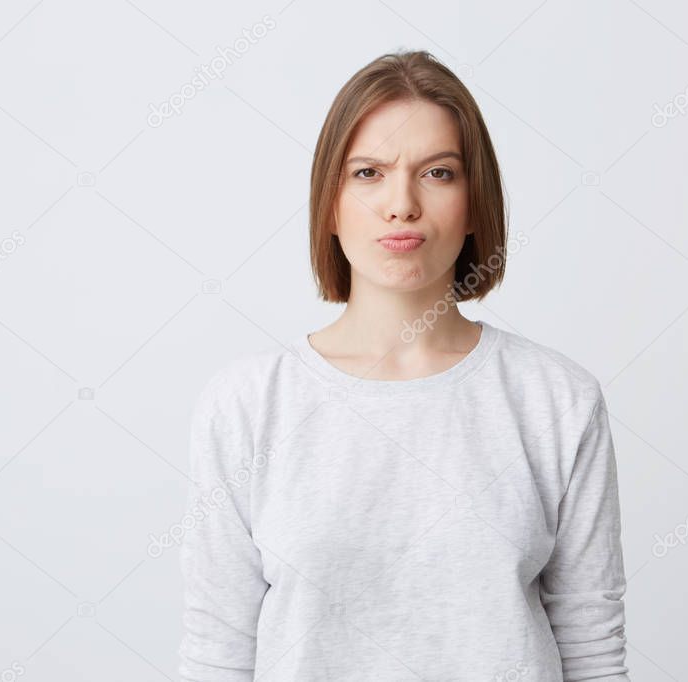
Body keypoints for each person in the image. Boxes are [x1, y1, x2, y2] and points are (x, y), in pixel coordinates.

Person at [178, 49, 631, 681]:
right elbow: (218, 648)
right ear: (329, 203)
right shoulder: (248, 403)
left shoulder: (557, 401)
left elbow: (590, 642)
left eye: (438, 173)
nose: (401, 204)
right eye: (367, 173)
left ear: (476, 202)